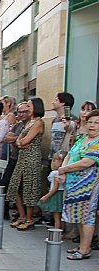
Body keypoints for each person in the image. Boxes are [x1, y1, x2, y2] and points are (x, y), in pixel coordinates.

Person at [59, 110, 99, 260]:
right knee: (80, 216)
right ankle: (83, 245)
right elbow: (69, 154)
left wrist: (63, 169)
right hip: (73, 184)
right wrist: (62, 171)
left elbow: (87, 162)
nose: (92, 125)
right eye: (90, 122)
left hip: (89, 186)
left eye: (96, 122)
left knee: (87, 216)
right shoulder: (82, 139)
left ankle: (85, 249)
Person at [7, 98, 45, 231]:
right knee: (15, 186)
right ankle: (22, 215)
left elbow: (24, 141)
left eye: (29, 106)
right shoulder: (27, 123)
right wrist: (19, 142)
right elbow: (18, 141)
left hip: (32, 158)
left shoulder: (38, 122)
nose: (27, 109)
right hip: (22, 158)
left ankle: (29, 219)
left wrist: (20, 142)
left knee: (29, 187)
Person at [38, 151, 66, 231]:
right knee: (62, 216)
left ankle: (56, 233)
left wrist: (46, 196)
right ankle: (62, 231)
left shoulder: (55, 173)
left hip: (56, 195)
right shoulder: (65, 173)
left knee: (56, 216)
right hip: (63, 194)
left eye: (54, 160)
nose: (52, 162)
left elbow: (55, 188)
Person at [50, 92, 77, 160]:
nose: (52, 102)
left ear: (63, 103)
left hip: (65, 158)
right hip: (53, 157)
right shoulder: (54, 120)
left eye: (56, 100)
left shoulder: (73, 120)